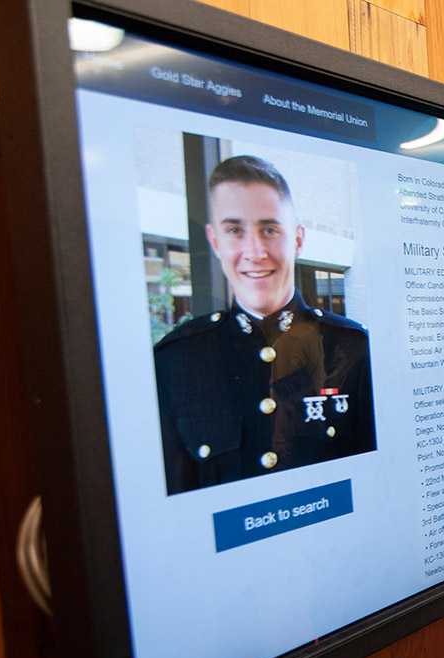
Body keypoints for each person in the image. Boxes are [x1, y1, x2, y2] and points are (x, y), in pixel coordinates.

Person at [154, 155, 376, 495]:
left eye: (269, 229)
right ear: (215, 241)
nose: (255, 251)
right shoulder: (174, 360)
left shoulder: (352, 347)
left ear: (298, 239)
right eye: (234, 230)